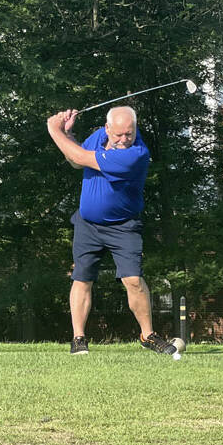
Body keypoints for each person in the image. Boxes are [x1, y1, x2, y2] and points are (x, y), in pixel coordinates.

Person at [46, 105, 177, 356]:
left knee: (133, 280)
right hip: (88, 223)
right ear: (107, 129)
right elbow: (75, 160)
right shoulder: (99, 137)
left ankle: (147, 335)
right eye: (118, 134)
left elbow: (83, 159)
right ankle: (78, 338)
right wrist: (69, 135)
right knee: (82, 278)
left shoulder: (135, 154)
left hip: (123, 226)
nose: (123, 139)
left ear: (135, 130)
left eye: (128, 134)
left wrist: (55, 130)